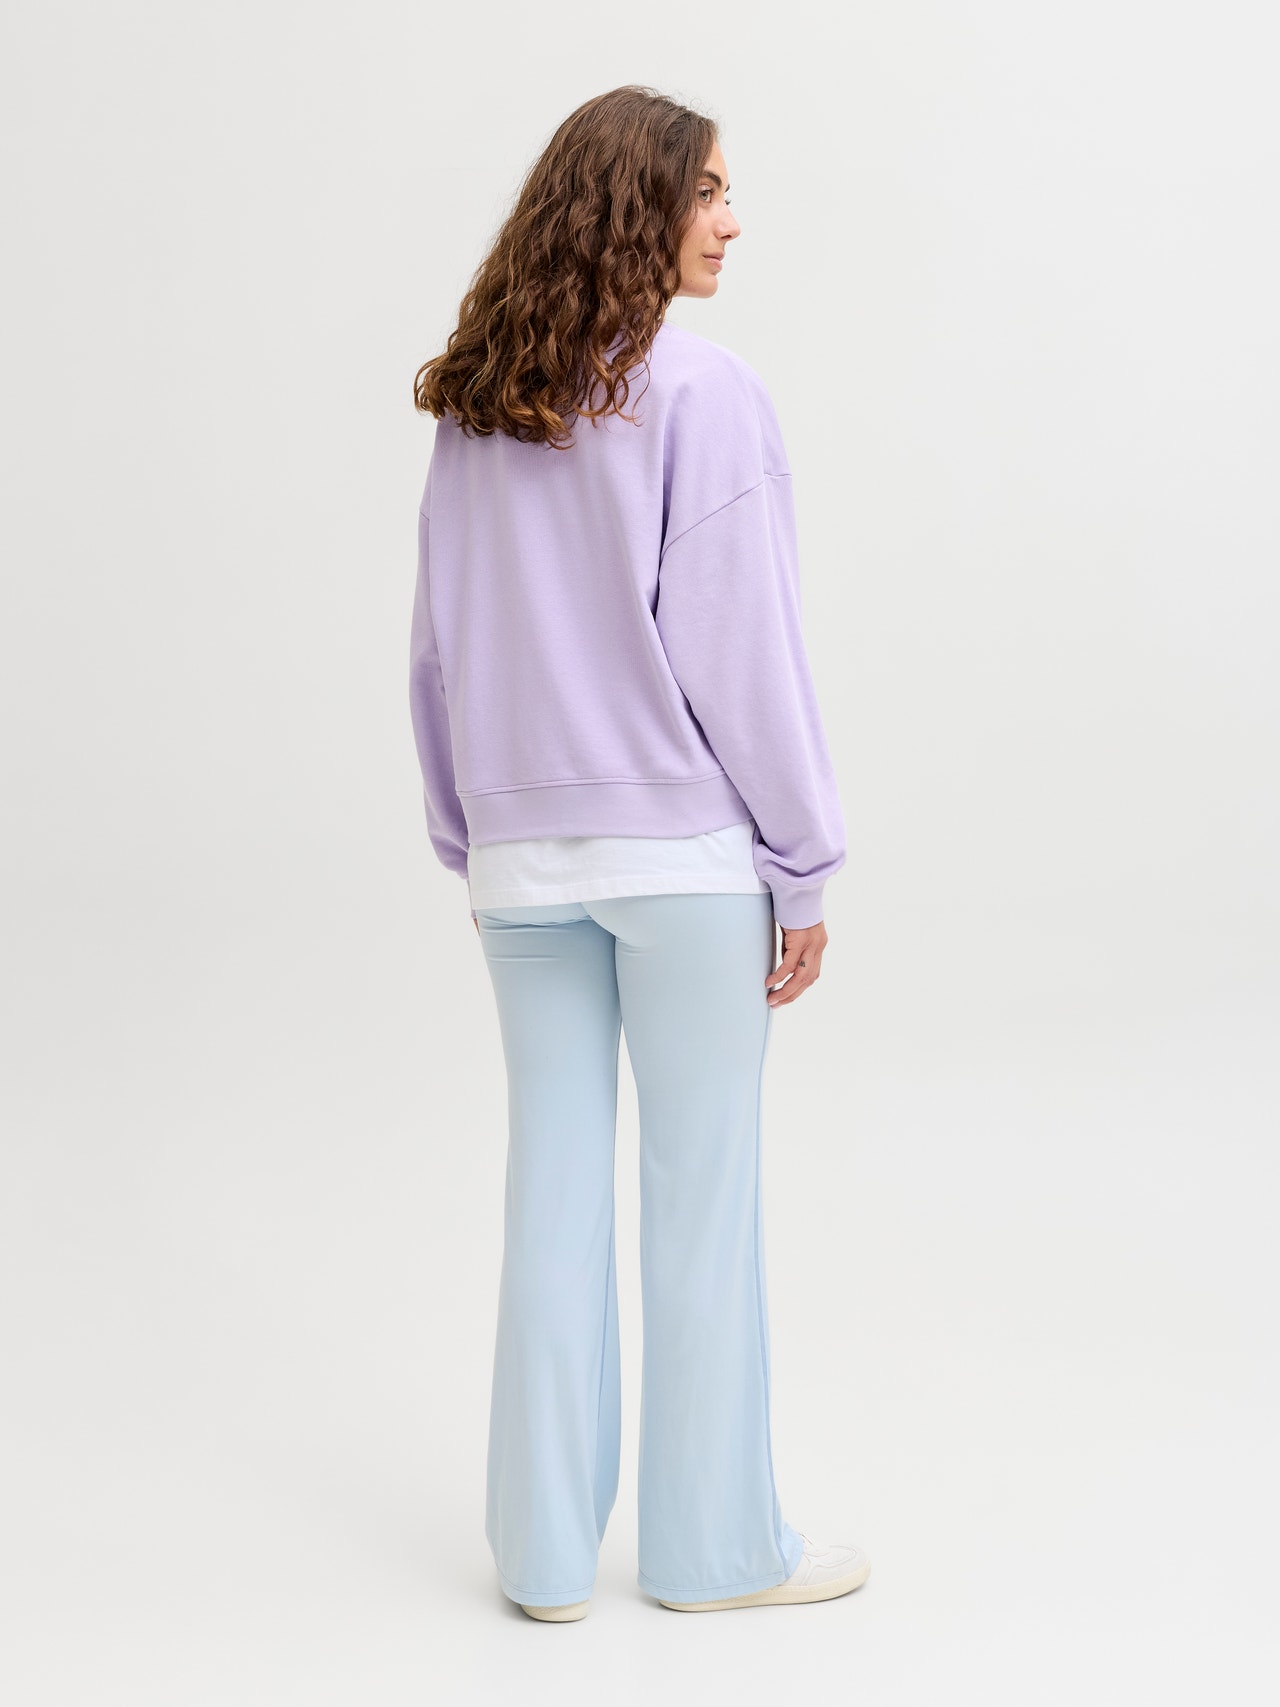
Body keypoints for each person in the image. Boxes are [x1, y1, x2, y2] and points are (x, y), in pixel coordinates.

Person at [409, 85, 871, 1621]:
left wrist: (473, 832)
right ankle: (712, 1552)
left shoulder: (482, 405)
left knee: (552, 1189)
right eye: (710, 190)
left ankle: (543, 1562)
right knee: (701, 1203)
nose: (733, 219)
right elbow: (747, 657)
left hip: (521, 865)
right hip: (684, 868)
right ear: (639, 204)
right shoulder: (704, 391)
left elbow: (437, 650)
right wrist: (804, 863)